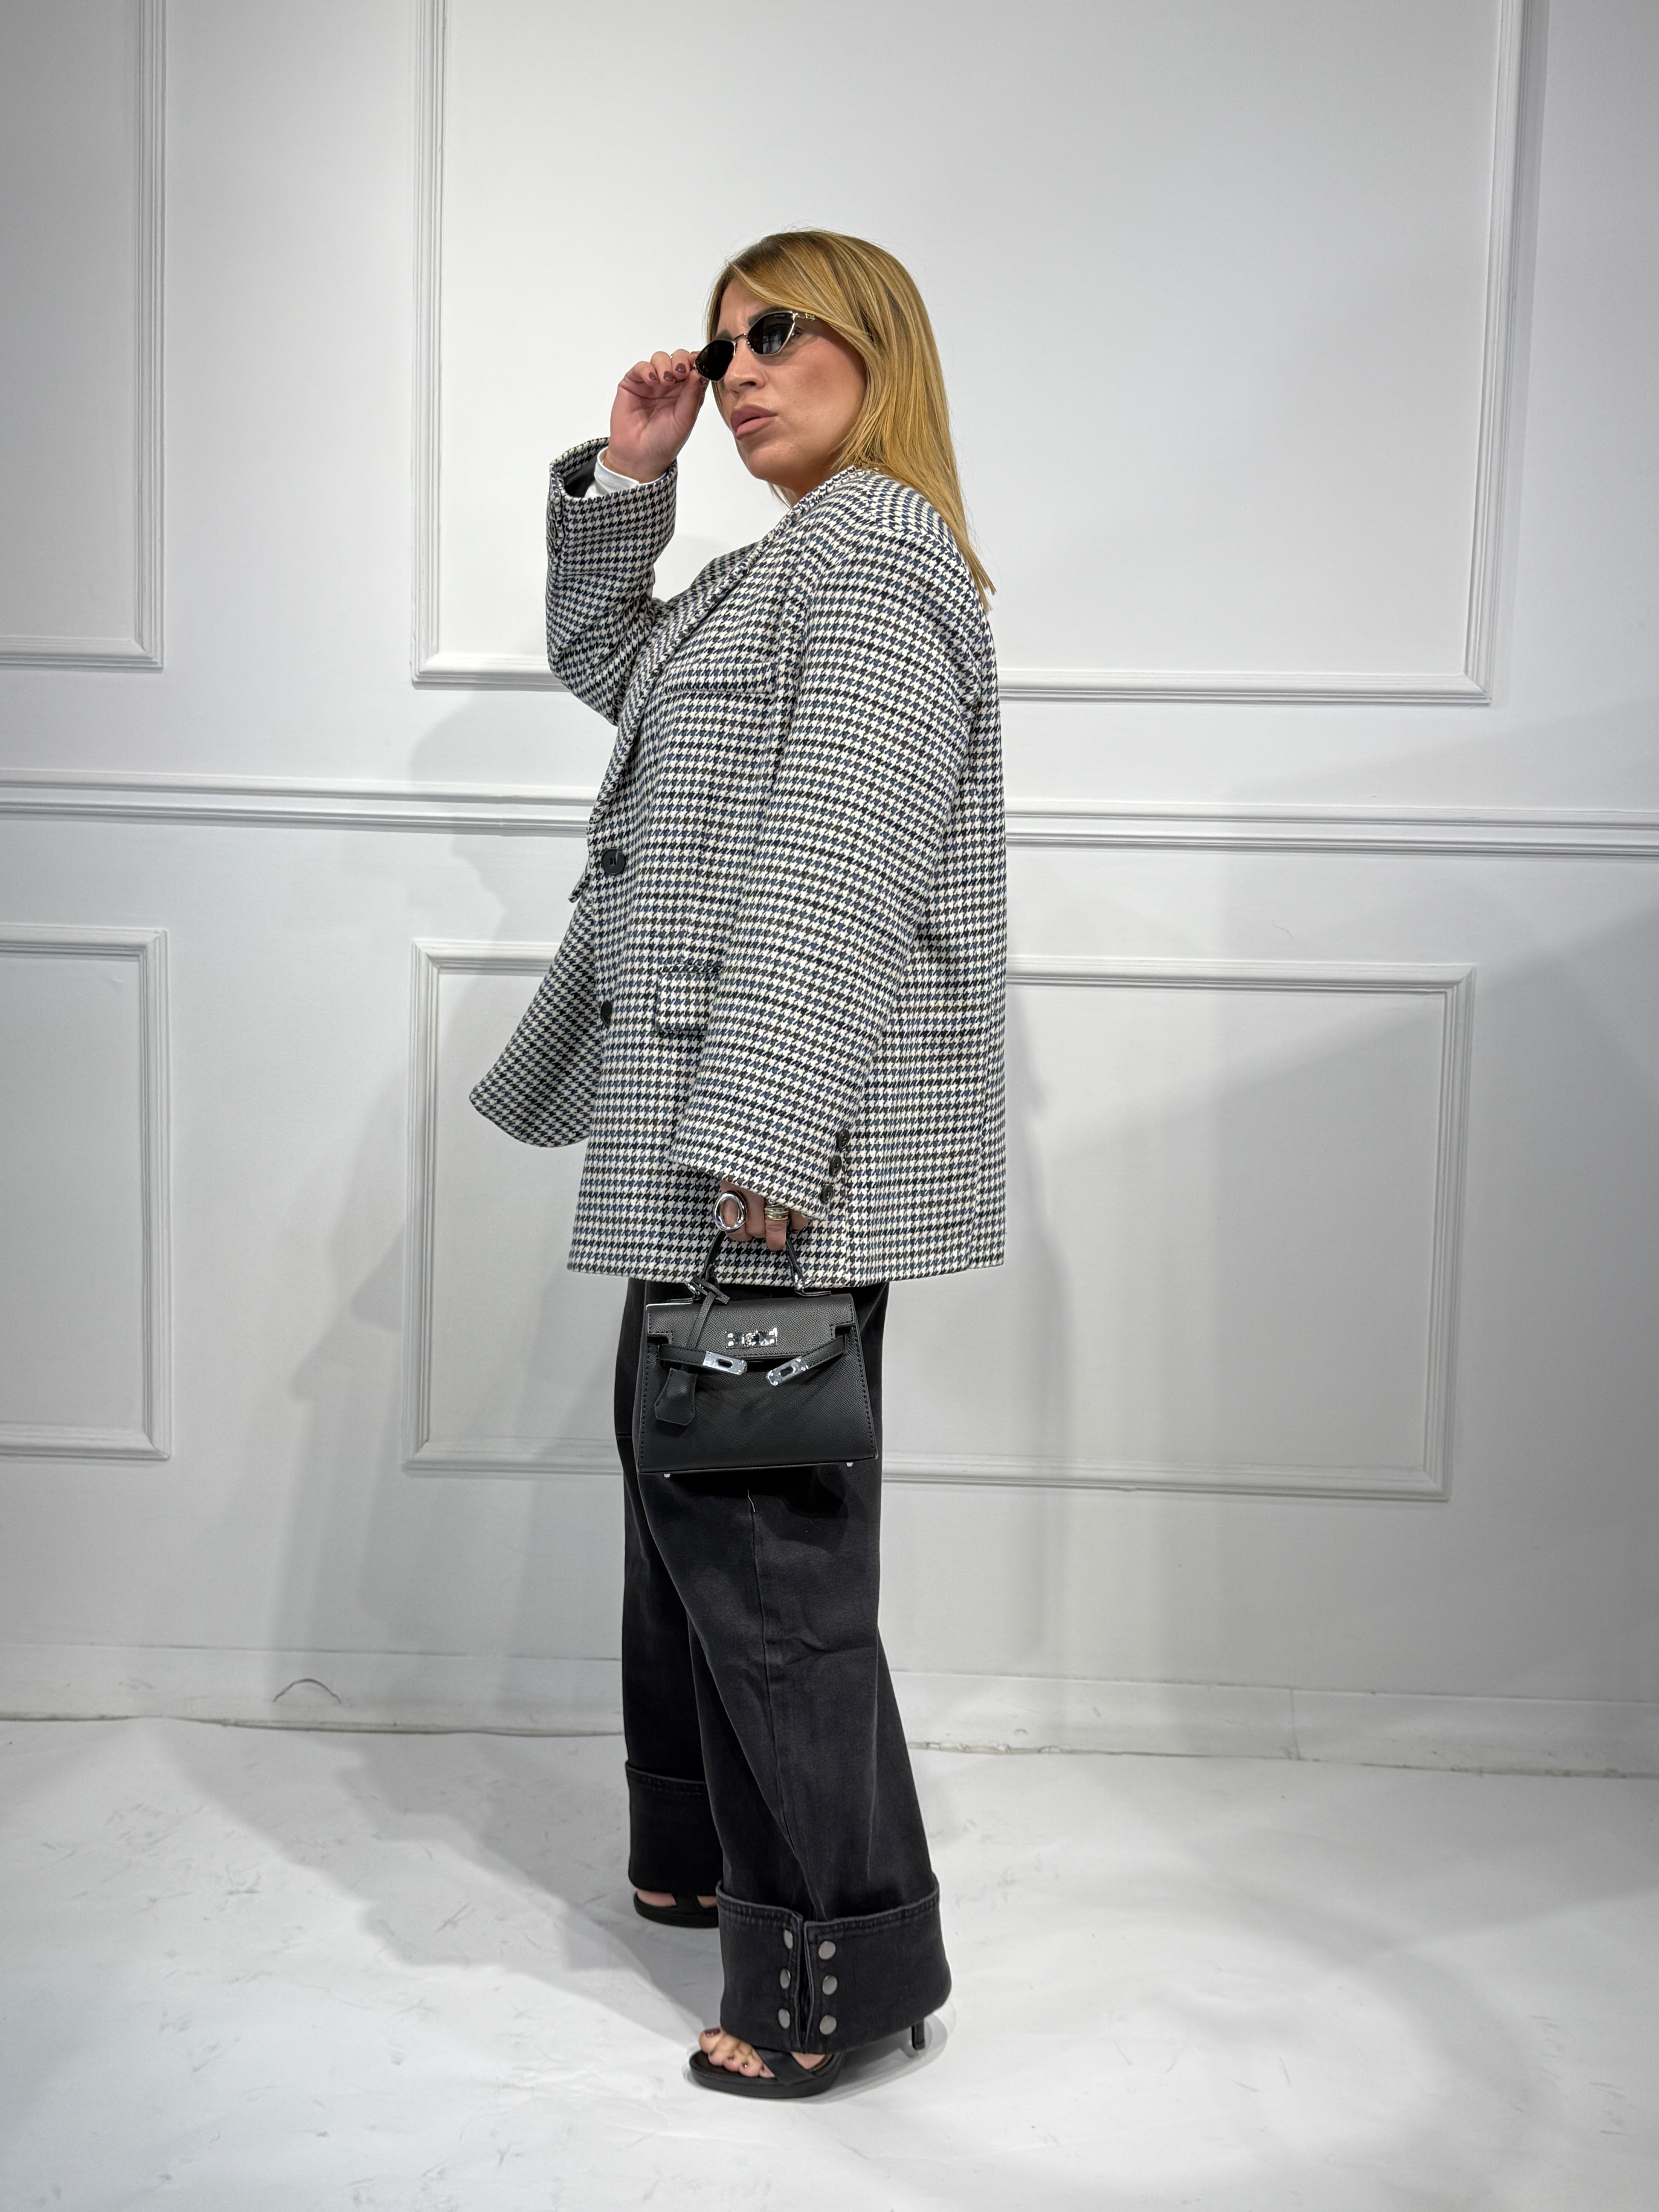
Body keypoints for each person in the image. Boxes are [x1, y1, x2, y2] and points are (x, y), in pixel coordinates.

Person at [471, 230, 1005, 2099]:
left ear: (878, 346)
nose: (741, 369)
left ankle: (844, 1972)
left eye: (776, 331)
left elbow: (843, 855)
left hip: (773, 1142)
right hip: (706, 1130)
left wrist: (766, 1124)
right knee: (682, 1498)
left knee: (764, 1544)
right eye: (721, 348)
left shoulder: (881, 555)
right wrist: (635, 476)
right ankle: (700, 1854)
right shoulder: (765, 572)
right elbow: (607, 662)